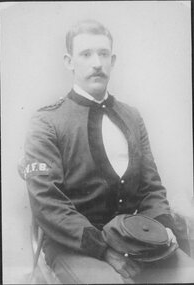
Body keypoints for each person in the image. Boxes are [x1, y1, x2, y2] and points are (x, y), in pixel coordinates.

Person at [23, 19, 194, 284]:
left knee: (188, 274)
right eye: (86, 54)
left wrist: (162, 230)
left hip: (133, 239)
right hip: (75, 246)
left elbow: (152, 188)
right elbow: (48, 205)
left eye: (103, 54)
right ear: (69, 61)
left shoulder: (132, 117)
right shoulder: (47, 122)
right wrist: (104, 249)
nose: (96, 63)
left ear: (112, 60)